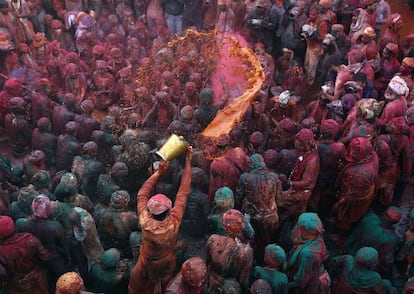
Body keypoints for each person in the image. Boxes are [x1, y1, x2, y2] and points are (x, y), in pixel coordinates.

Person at [128, 147, 192, 294]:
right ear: (169, 210)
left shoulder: (145, 220)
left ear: (150, 211)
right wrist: (188, 161)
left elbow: (142, 194)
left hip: (146, 261)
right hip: (166, 261)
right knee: (166, 285)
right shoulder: (174, 220)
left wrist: (158, 172)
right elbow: (184, 191)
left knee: (134, 287)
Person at [237, 153, 281, 262]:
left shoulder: (245, 177)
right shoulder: (274, 177)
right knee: (267, 240)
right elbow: (279, 197)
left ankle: (252, 260)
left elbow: (238, 196)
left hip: (252, 218)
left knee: (252, 240)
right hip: (271, 217)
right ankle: (267, 260)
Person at [333, 136, 379, 231]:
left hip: (354, 200)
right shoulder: (372, 155)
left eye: (355, 153)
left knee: (346, 217)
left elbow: (350, 196)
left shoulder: (359, 174)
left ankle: (341, 234)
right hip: (360, 191)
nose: (351, 154)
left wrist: (338, 205)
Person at [206, 209, 254, 293]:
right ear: (242, 226)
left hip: (213, 281)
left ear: (224, 227)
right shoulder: (246, 251)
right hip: (232, 286)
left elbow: (208, 262)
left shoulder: (213, 239)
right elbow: (243, 279)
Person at [0, 215, 50, 294]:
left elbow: (3, 274)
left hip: (14, 287)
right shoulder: (30, 239)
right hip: (36, 282)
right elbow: (45, 257)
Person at [287, 212, 330, 293]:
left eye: (299, 226)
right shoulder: (316, 236)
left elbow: (301, 281)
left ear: (305, 230)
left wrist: (283, 285)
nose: (296, 228)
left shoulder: (308, 254)